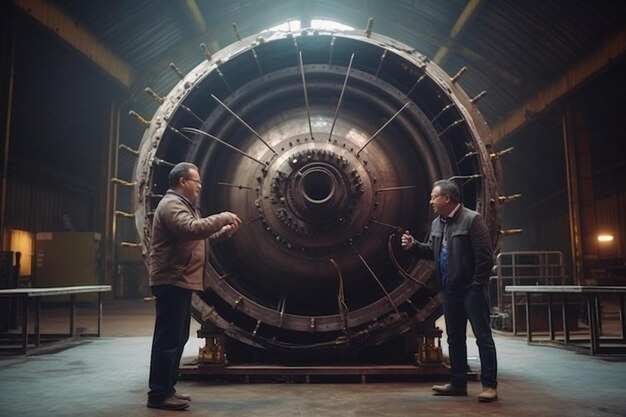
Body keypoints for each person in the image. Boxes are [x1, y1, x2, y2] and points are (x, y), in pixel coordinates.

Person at [147, 162, 242, 410]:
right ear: (182, 182)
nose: (199, 186)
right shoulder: (171, 206)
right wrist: (222, 216)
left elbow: (199, 239)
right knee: (168, 340)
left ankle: (167, 390)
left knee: (176, 339)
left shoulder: (184, 206)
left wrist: (222, 233)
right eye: (196, 181)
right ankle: (158, 394)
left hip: (180, 280)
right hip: (171, 280)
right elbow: (191, 229)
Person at [401, 179, 498, 402]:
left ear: (447, 198)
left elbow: (485, 258)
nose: (431, 201)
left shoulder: (472, 220)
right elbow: (431, 251)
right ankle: (457, 383)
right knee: (454, 339)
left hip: (471, 291)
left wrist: (476, 287)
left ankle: (490, 386)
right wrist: (414, 246)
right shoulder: (438, 223)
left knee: (483, 338)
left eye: (434, 197)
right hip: (449, 290)